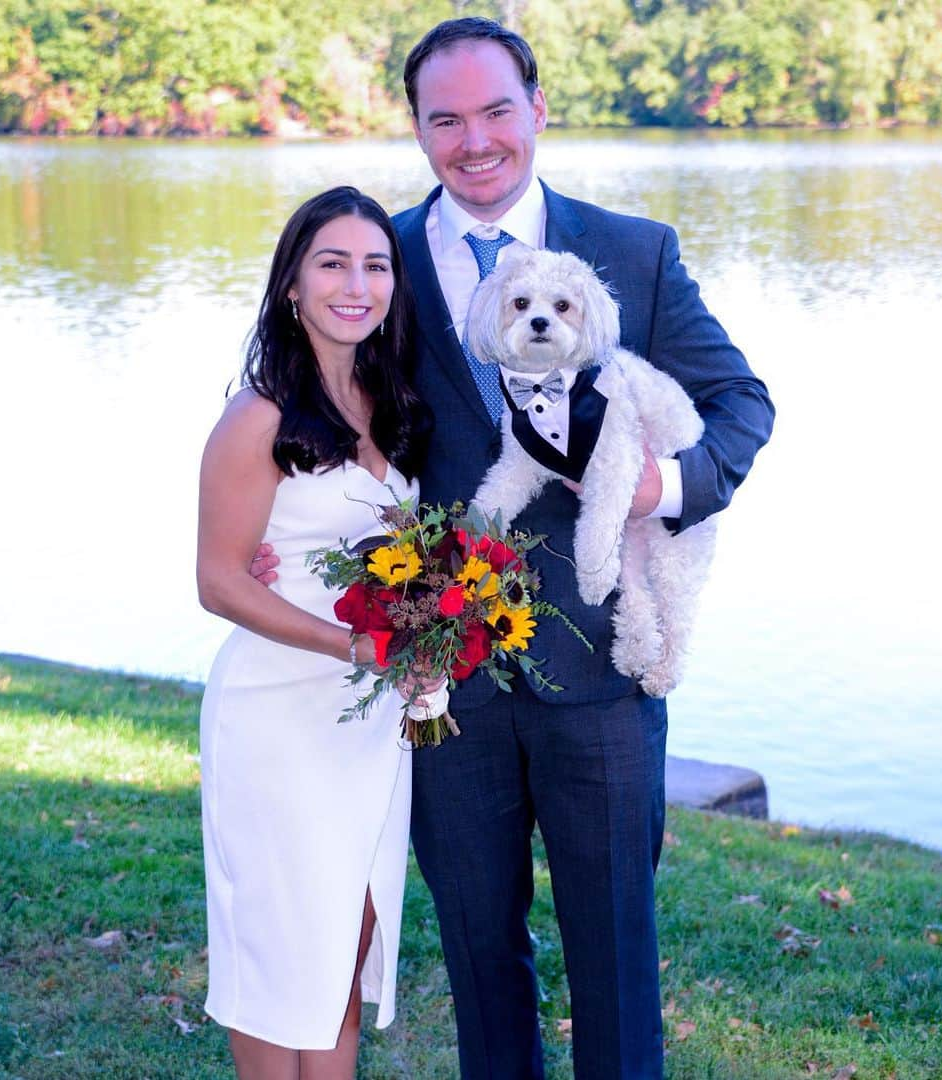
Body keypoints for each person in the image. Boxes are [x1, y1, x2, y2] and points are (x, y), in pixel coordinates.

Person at [252, 19, 775, 1079]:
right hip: (445, 677)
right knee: (479, 957)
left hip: (603, 672)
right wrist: (281, 539)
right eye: (446, 119)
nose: (474, 140)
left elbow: (739, 407)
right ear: (417, 128)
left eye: (496, 111)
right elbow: (301, 408)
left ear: (537, 109)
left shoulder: (634, 252)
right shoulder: (373, 258)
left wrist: (655, 486)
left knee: (617, 957)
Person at [196, 185, 431, 1080]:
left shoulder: (394, 401)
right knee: (275, 955)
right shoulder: (257, 416)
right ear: (293, 282)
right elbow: (218, 581)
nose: (356, 284)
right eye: (332, 262)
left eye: (375, 265)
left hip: (371, 723)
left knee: (343, 942)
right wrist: (352, 648)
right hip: (278, 713)